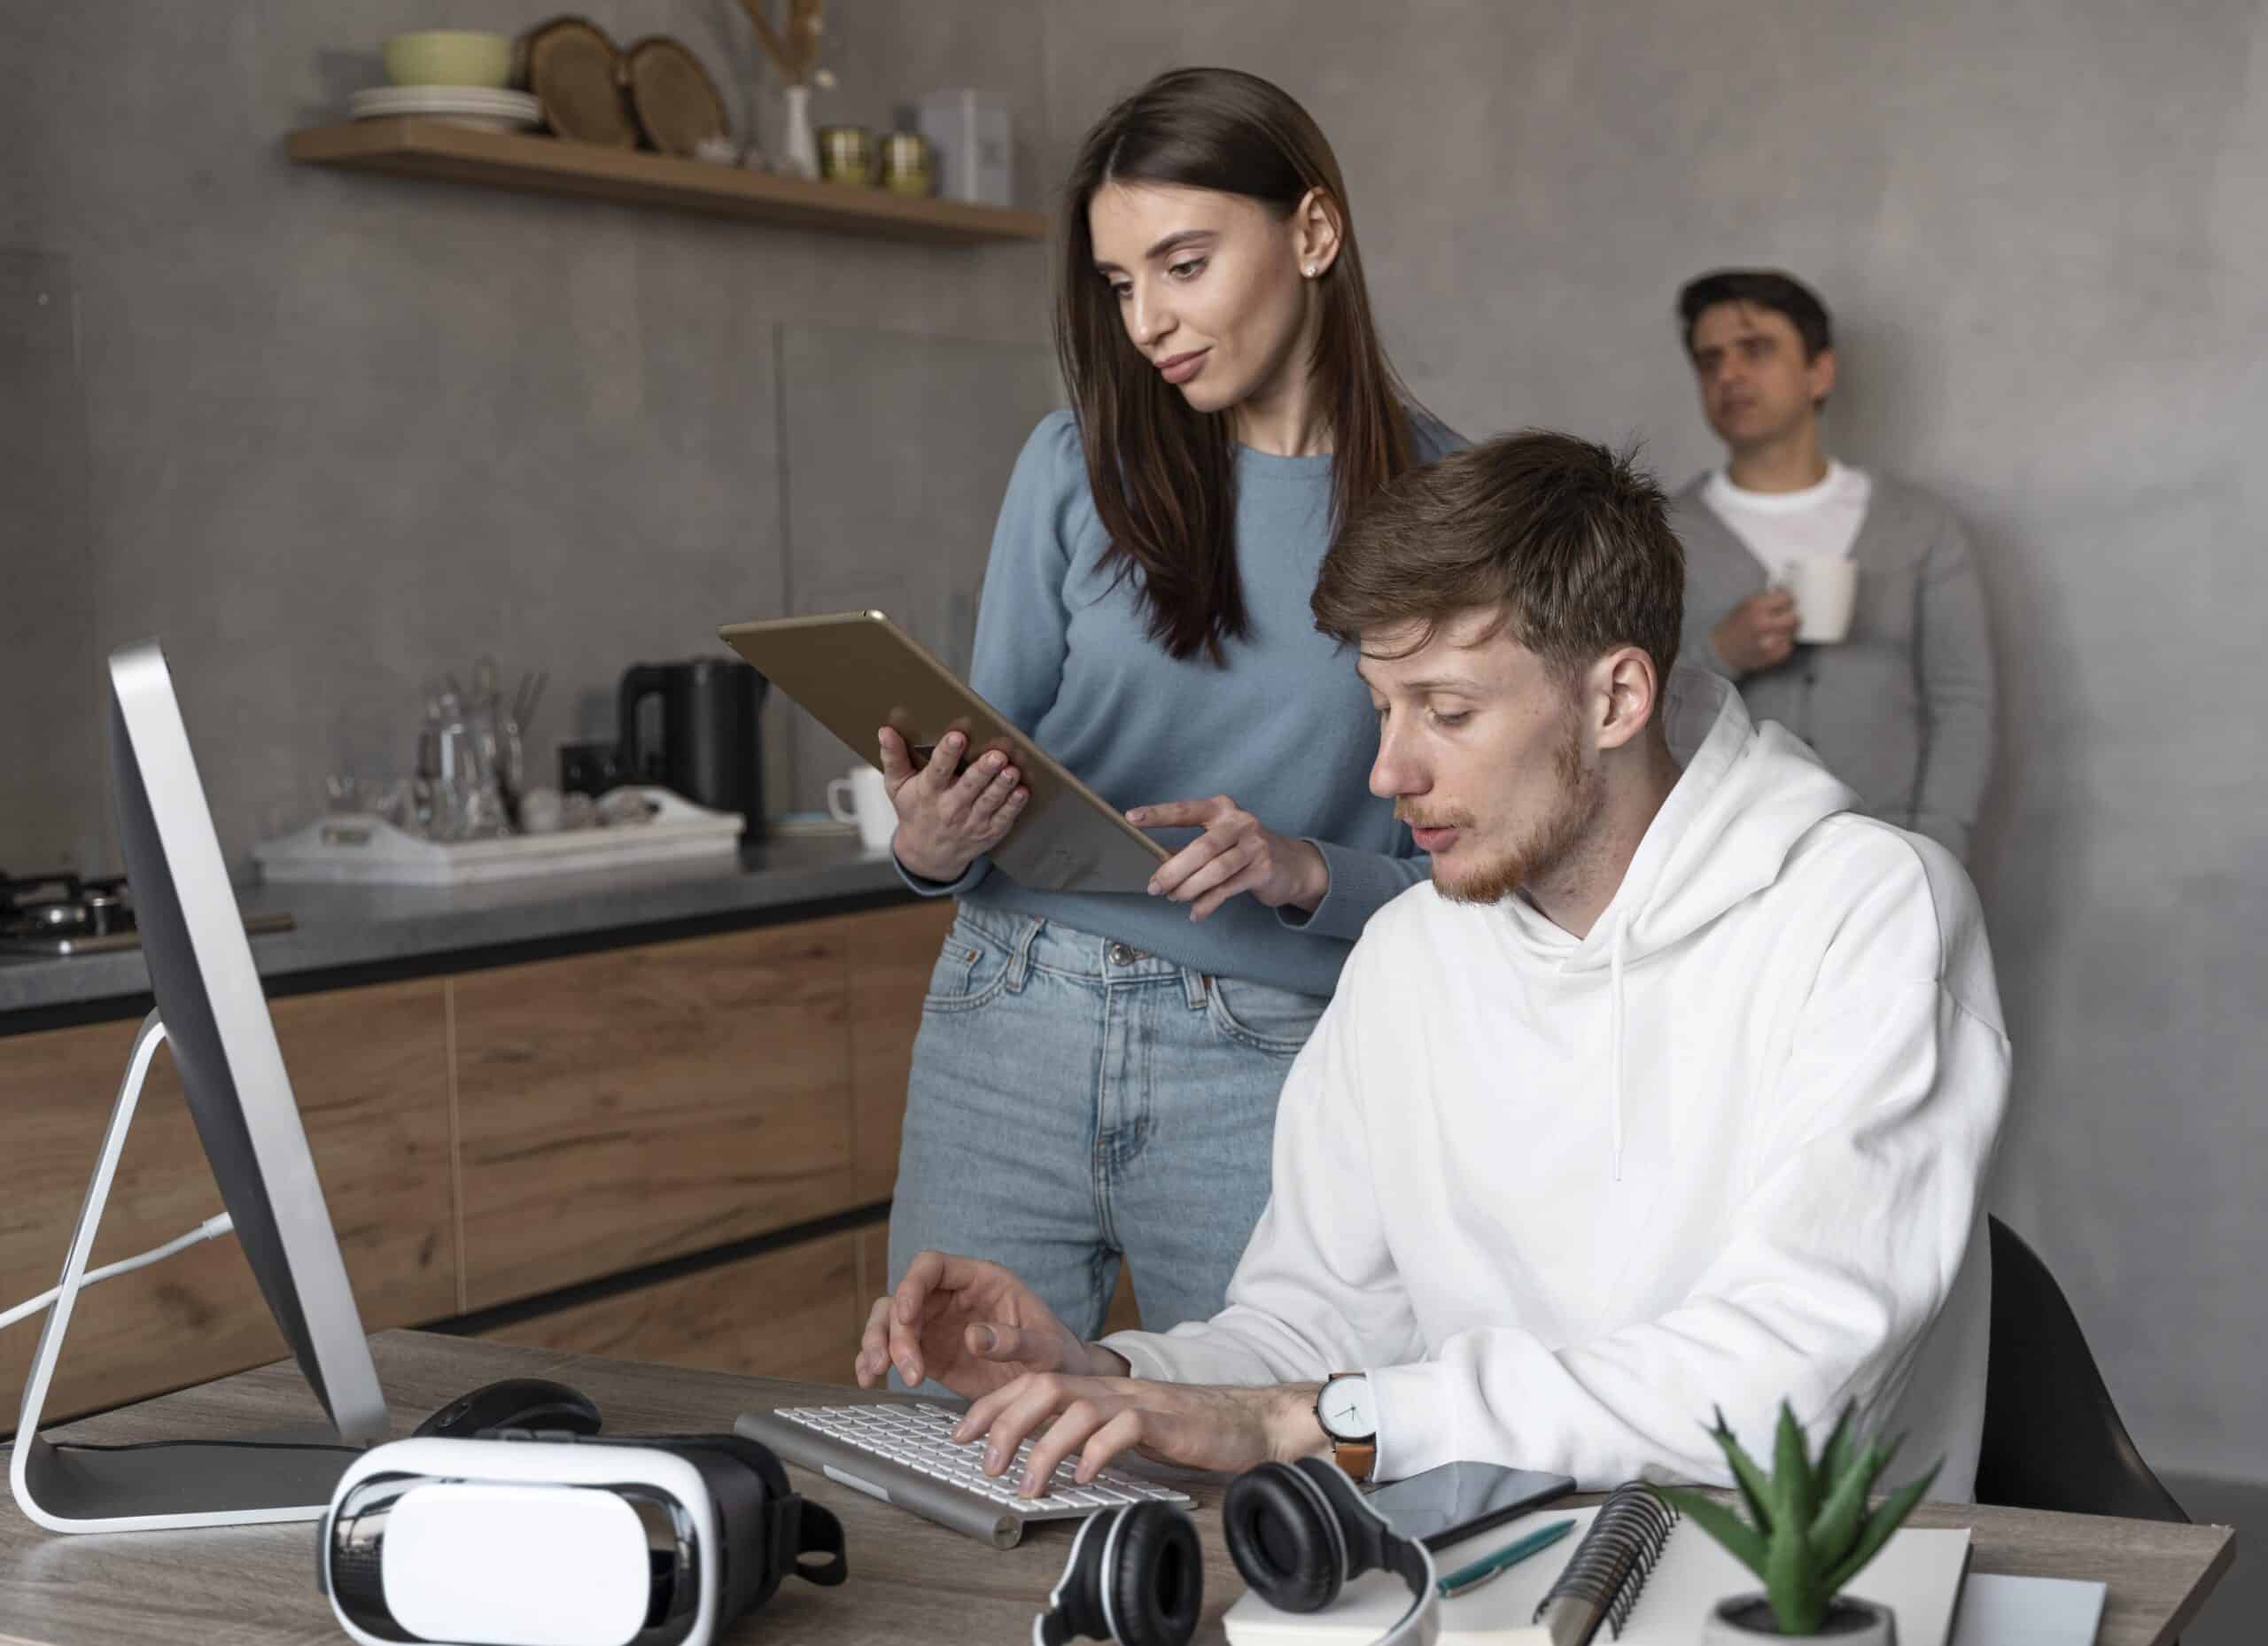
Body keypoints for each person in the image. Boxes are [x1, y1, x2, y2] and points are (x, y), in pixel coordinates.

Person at [857, 431, 2009, 1501]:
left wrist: (1324, 1417)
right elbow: (1310, 1334)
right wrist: (1109, 1374)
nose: (1388, 774)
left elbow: (1783, 1389)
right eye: (1380, 709)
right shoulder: (1410, 951)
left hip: (1789, 1590)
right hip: (1474, 1567)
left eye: (1446, 712)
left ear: (1616, 696)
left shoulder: (1866, 913)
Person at [879, 67, 1462, 1344]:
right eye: (1118, 283)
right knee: (947, 1426)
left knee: (1281, 1437)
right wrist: (931, 840)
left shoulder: (1453, 511)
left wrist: (1305, 867)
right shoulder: (1072, 464)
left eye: (1183, 265)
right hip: (1007, 1012)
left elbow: (1482, 876)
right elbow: (986, 765)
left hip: (1270, 1055)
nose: (1147, 321)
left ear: (1314, 232)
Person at [1666, 269, 1995, 864]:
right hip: (1721, 863)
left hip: (1889, 856)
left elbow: (1962, 702)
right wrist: (1720, 652)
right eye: (1710, 360)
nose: (1728, 374)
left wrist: (1935, 844)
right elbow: (1623, 706)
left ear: (1819, 371)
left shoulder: (1919, 526)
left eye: (1755, 350)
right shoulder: (1661, 535)